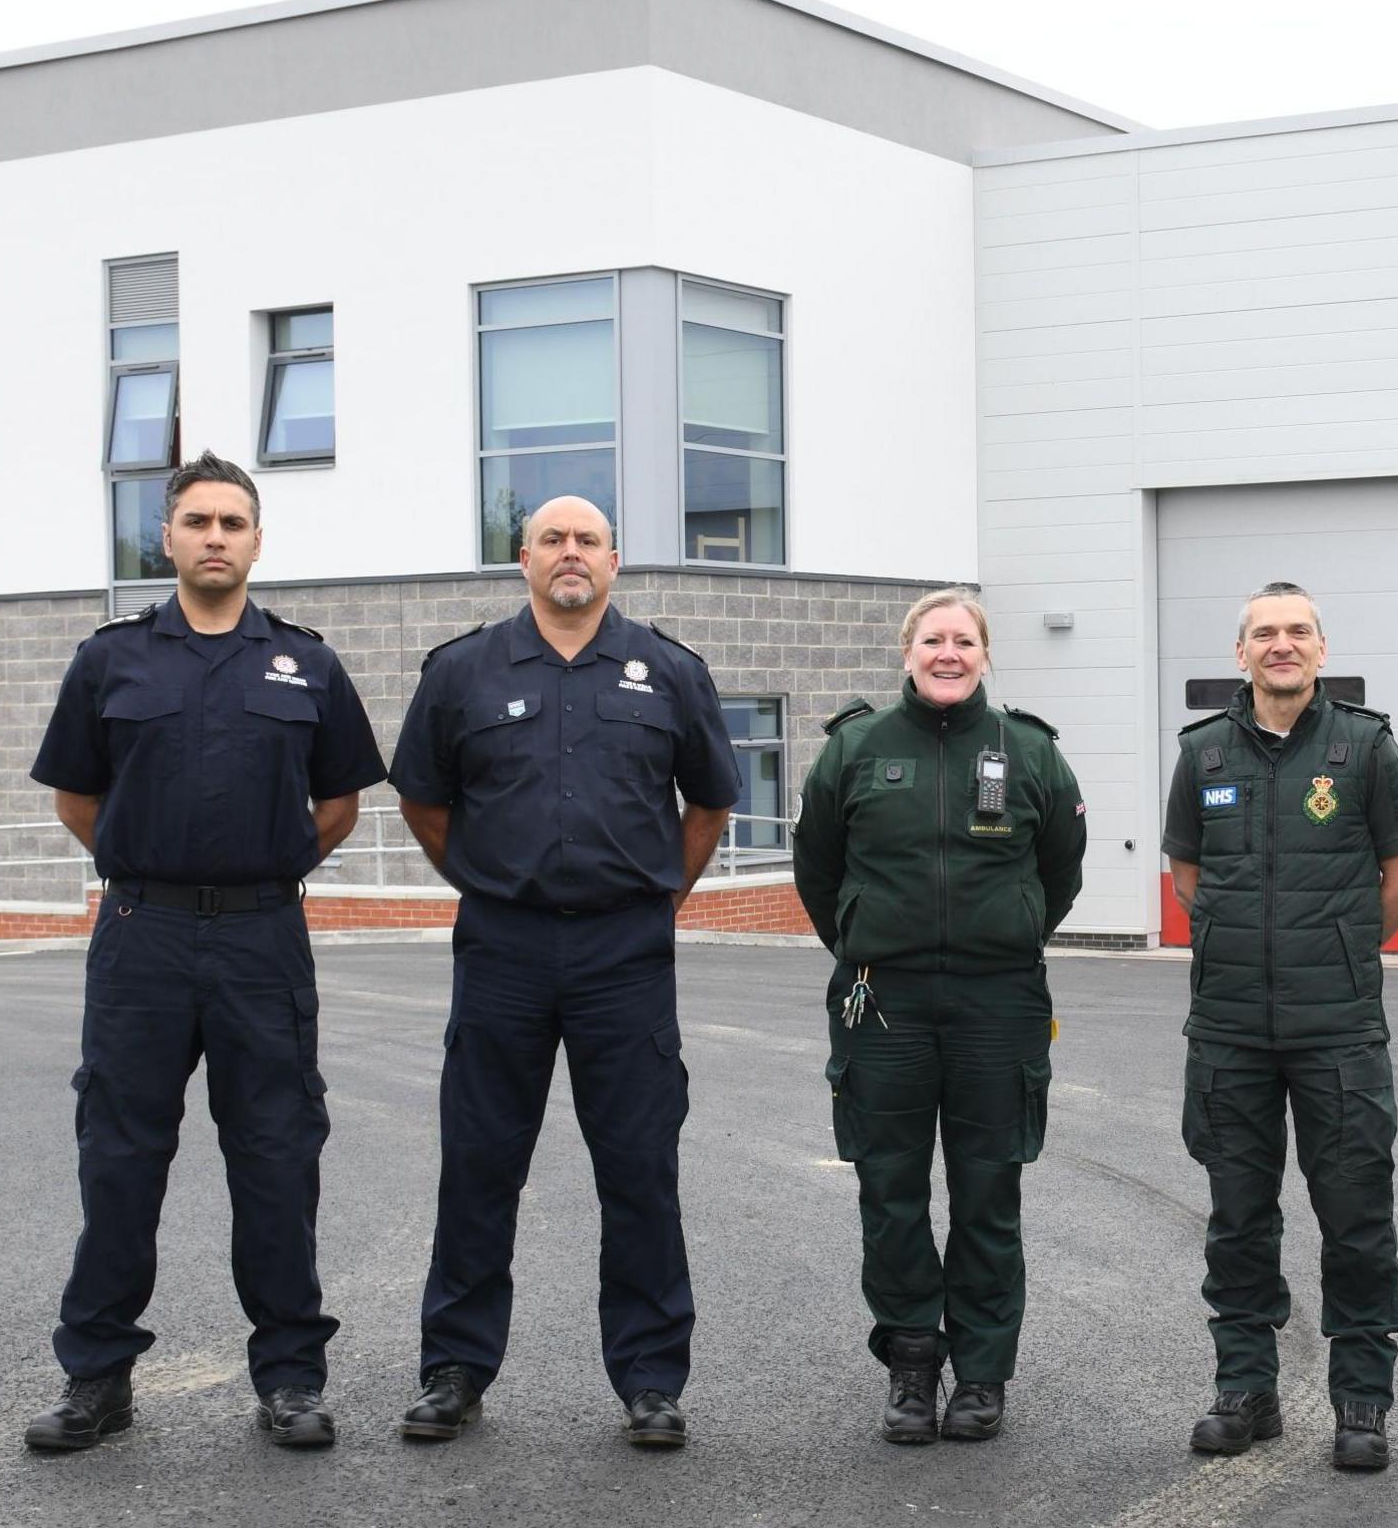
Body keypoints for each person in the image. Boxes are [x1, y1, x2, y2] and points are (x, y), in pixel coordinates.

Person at [22, 453, 388, 1455]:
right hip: (142, 937)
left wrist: (260, 874)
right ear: (168, 538)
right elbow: (75, 797)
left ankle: (290, 1378)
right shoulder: (112, 660)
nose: (215, 537)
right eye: (197, 521)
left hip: (264, 936)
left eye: (233, 521)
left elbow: (342, 801)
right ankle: (97, 1379)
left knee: (275, 1156)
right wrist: (149, 869)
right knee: (120, 1158)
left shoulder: (306, 663)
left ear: (257, 539)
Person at [387, 495, 740, 1449]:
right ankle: (455, 1367)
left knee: (638, 1167)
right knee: (479, 1161)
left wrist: (660, 894)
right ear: (524, 559)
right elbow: (423, 799)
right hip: (502, 950)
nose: (570, 554)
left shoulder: (669, 671)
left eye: (587, 541)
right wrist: (480, 878)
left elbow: (708, 803)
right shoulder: (463, 671)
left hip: (624, 956)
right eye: (554, 540)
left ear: (614, 562)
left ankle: (651, 1380)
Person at [791, 590, 1087, 1443]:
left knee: (990, 1188)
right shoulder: (855, 748)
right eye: (933, 640)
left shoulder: (1029, 752)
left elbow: (1059, 872)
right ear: (907, 652)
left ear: (986, 655)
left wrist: (1013, 932)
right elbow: (818, 870)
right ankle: (914, 1362)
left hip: (1000, 1002)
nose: (948, 653)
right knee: (890, 1189)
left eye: (964, 640)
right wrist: (860, 938)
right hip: (883, 1000)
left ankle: (983, 1374)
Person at [1161, 582, 1398, 1470]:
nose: (1282, 645)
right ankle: (1245, 1388)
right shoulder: (1202, 756)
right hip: (1230, 1027)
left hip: (1338, 1030)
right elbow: (1187, 877)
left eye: (1297, 632)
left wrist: (1341, 950)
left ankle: (1361, 1401)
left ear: (1322, 648)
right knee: (1238, 1216)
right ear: (1241, 654)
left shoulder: (1367, 747)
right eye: (1265, 633)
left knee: (1355, 1214)